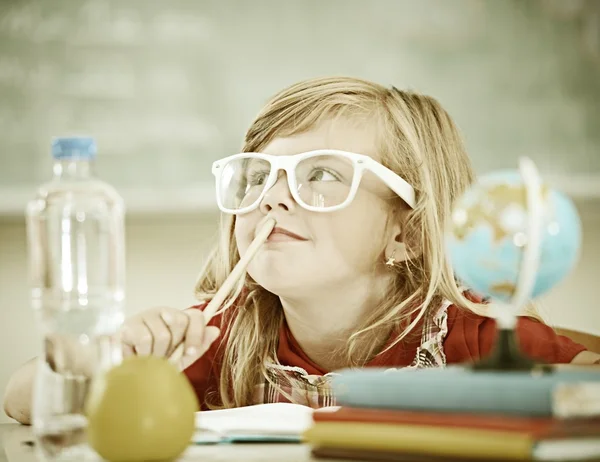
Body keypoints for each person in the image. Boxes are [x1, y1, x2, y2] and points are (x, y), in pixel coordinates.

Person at [4, 77, 599, 423]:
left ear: (407, 234)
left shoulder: (473, 335)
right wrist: (107, 358)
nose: (273, 198)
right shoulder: (222, 335)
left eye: (321, 176)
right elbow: (22, 401)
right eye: (258, 175)